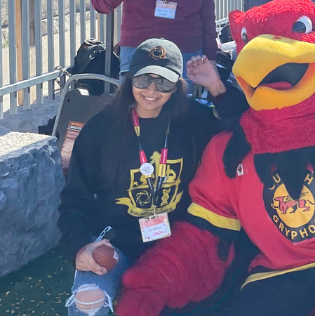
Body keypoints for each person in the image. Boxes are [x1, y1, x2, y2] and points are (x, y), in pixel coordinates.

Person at [58, 38, 247, 316]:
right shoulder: (101, 129)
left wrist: (216, 86)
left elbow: (243, 126)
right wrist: (79, 248)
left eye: (164, 82)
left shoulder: (193, 119)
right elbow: (75, 199)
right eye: (144, 79)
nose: (151, 90)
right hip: (116, 243)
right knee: (89, 302)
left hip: (174, 246)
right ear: (129, 78)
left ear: (177, 85)